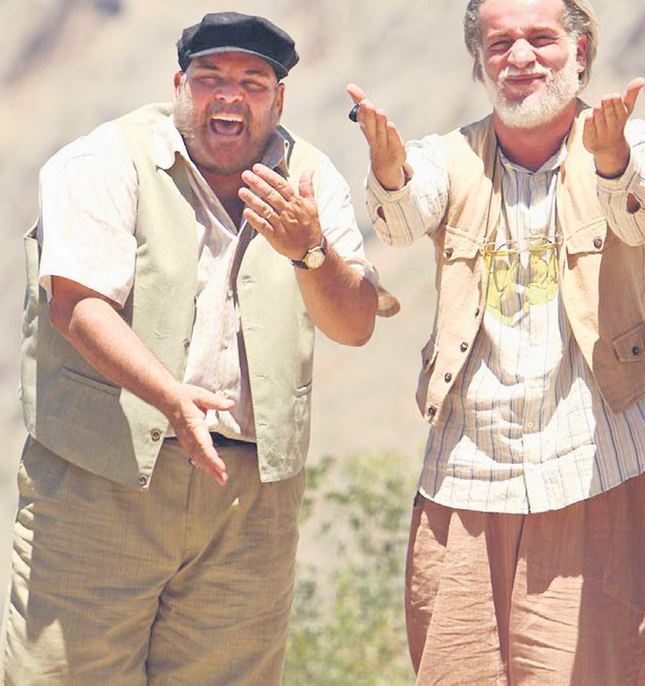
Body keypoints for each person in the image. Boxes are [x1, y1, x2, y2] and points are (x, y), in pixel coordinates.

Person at [5, 11, 390, 684]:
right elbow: (76, 303)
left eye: (252, 82)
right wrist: (168, 397)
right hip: (102, 481)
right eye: (211, 78)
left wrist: (309, 251)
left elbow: (354, 324)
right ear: (179, 85)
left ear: (278, 99)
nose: (229, 96)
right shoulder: (104, 159)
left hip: (249, 501)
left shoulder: (310, 179)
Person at [348, 0, 645, 681]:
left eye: (540, 39)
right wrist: (388, 168)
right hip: (467, 474)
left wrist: (611, 160)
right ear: (480, 61)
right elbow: (401, 220)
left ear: (580, 54)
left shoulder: (631, 143)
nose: (520, 58)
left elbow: (640, 217)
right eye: (499, 44)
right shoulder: (448, 156)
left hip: (593, 467)